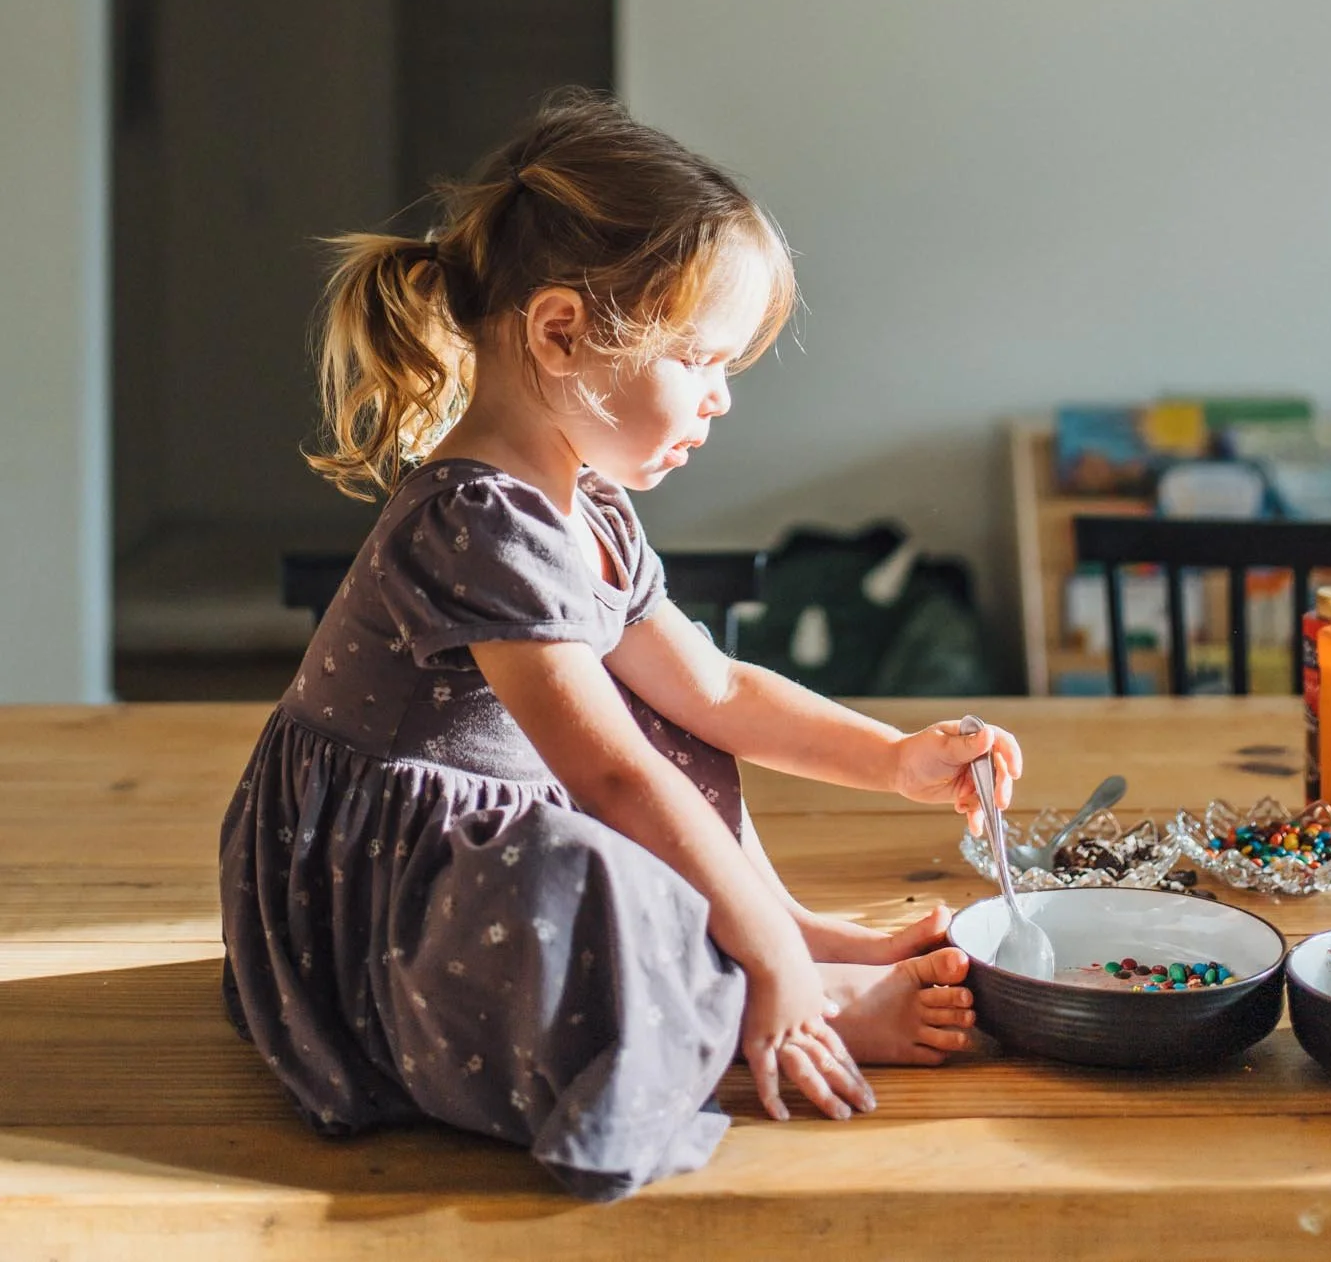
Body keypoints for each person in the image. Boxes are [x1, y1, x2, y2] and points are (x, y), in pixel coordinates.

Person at [220, 90, 1022, 1202]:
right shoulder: (477, 520)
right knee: (589, 864)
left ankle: (777, 937)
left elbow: (718, 690)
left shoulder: (585, 505)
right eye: (701, 360)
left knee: (674, 726)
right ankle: (764, 995)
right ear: (559, 333)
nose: (722, 400)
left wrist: (893, 758)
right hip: (381, 895)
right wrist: (771, 966)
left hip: (483, 821)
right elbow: (606, 778)